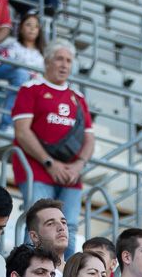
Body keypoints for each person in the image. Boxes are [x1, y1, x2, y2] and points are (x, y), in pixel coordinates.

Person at [11, 42, 94, 252]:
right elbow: (22, 131)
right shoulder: (31, 89)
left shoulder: (79, 98)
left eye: (68, 60)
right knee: (39, 225)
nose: (64, 64)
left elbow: (90, 139)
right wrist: (49, 163)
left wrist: (79, 165)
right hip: (37, 169)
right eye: (59, 58)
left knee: (70, 227)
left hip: (71, 173)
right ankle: (29, 273)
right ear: (47, 61)